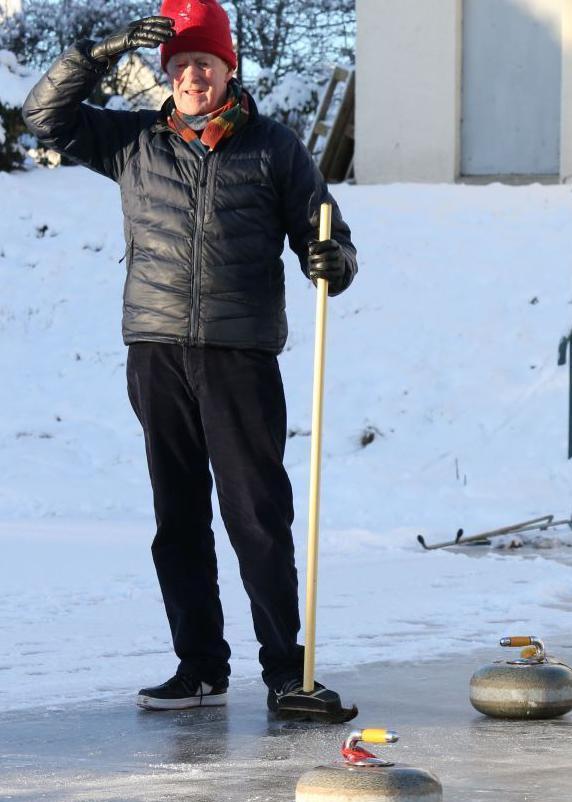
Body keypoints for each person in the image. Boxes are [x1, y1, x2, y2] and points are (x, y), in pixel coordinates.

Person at [22, 0, 358, 722]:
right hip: (156, 351)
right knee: (178, 517)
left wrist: (333, 259)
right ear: (168, 75)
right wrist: (100, 54)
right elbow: (42, 117)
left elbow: (325, 233)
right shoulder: (134, 142)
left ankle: (284, 672)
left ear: (229, 69)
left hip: (239, 356)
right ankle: (199, 666)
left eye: (205, 63)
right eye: (180, 66)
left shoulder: (274, 148)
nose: (192, 77)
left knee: (257, 516)